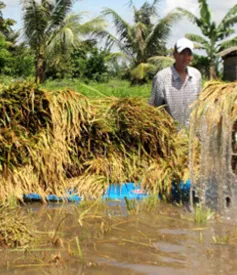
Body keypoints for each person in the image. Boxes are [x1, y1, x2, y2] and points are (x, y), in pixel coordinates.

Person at [149, 37, 202, 128]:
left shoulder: (196, 75)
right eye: (182, 53)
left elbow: (199, 103)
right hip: (171, 135)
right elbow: (154, 108)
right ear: (174, 55)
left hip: (192, 135)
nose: (186, 57)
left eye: (189, 54)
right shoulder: (162, 78)